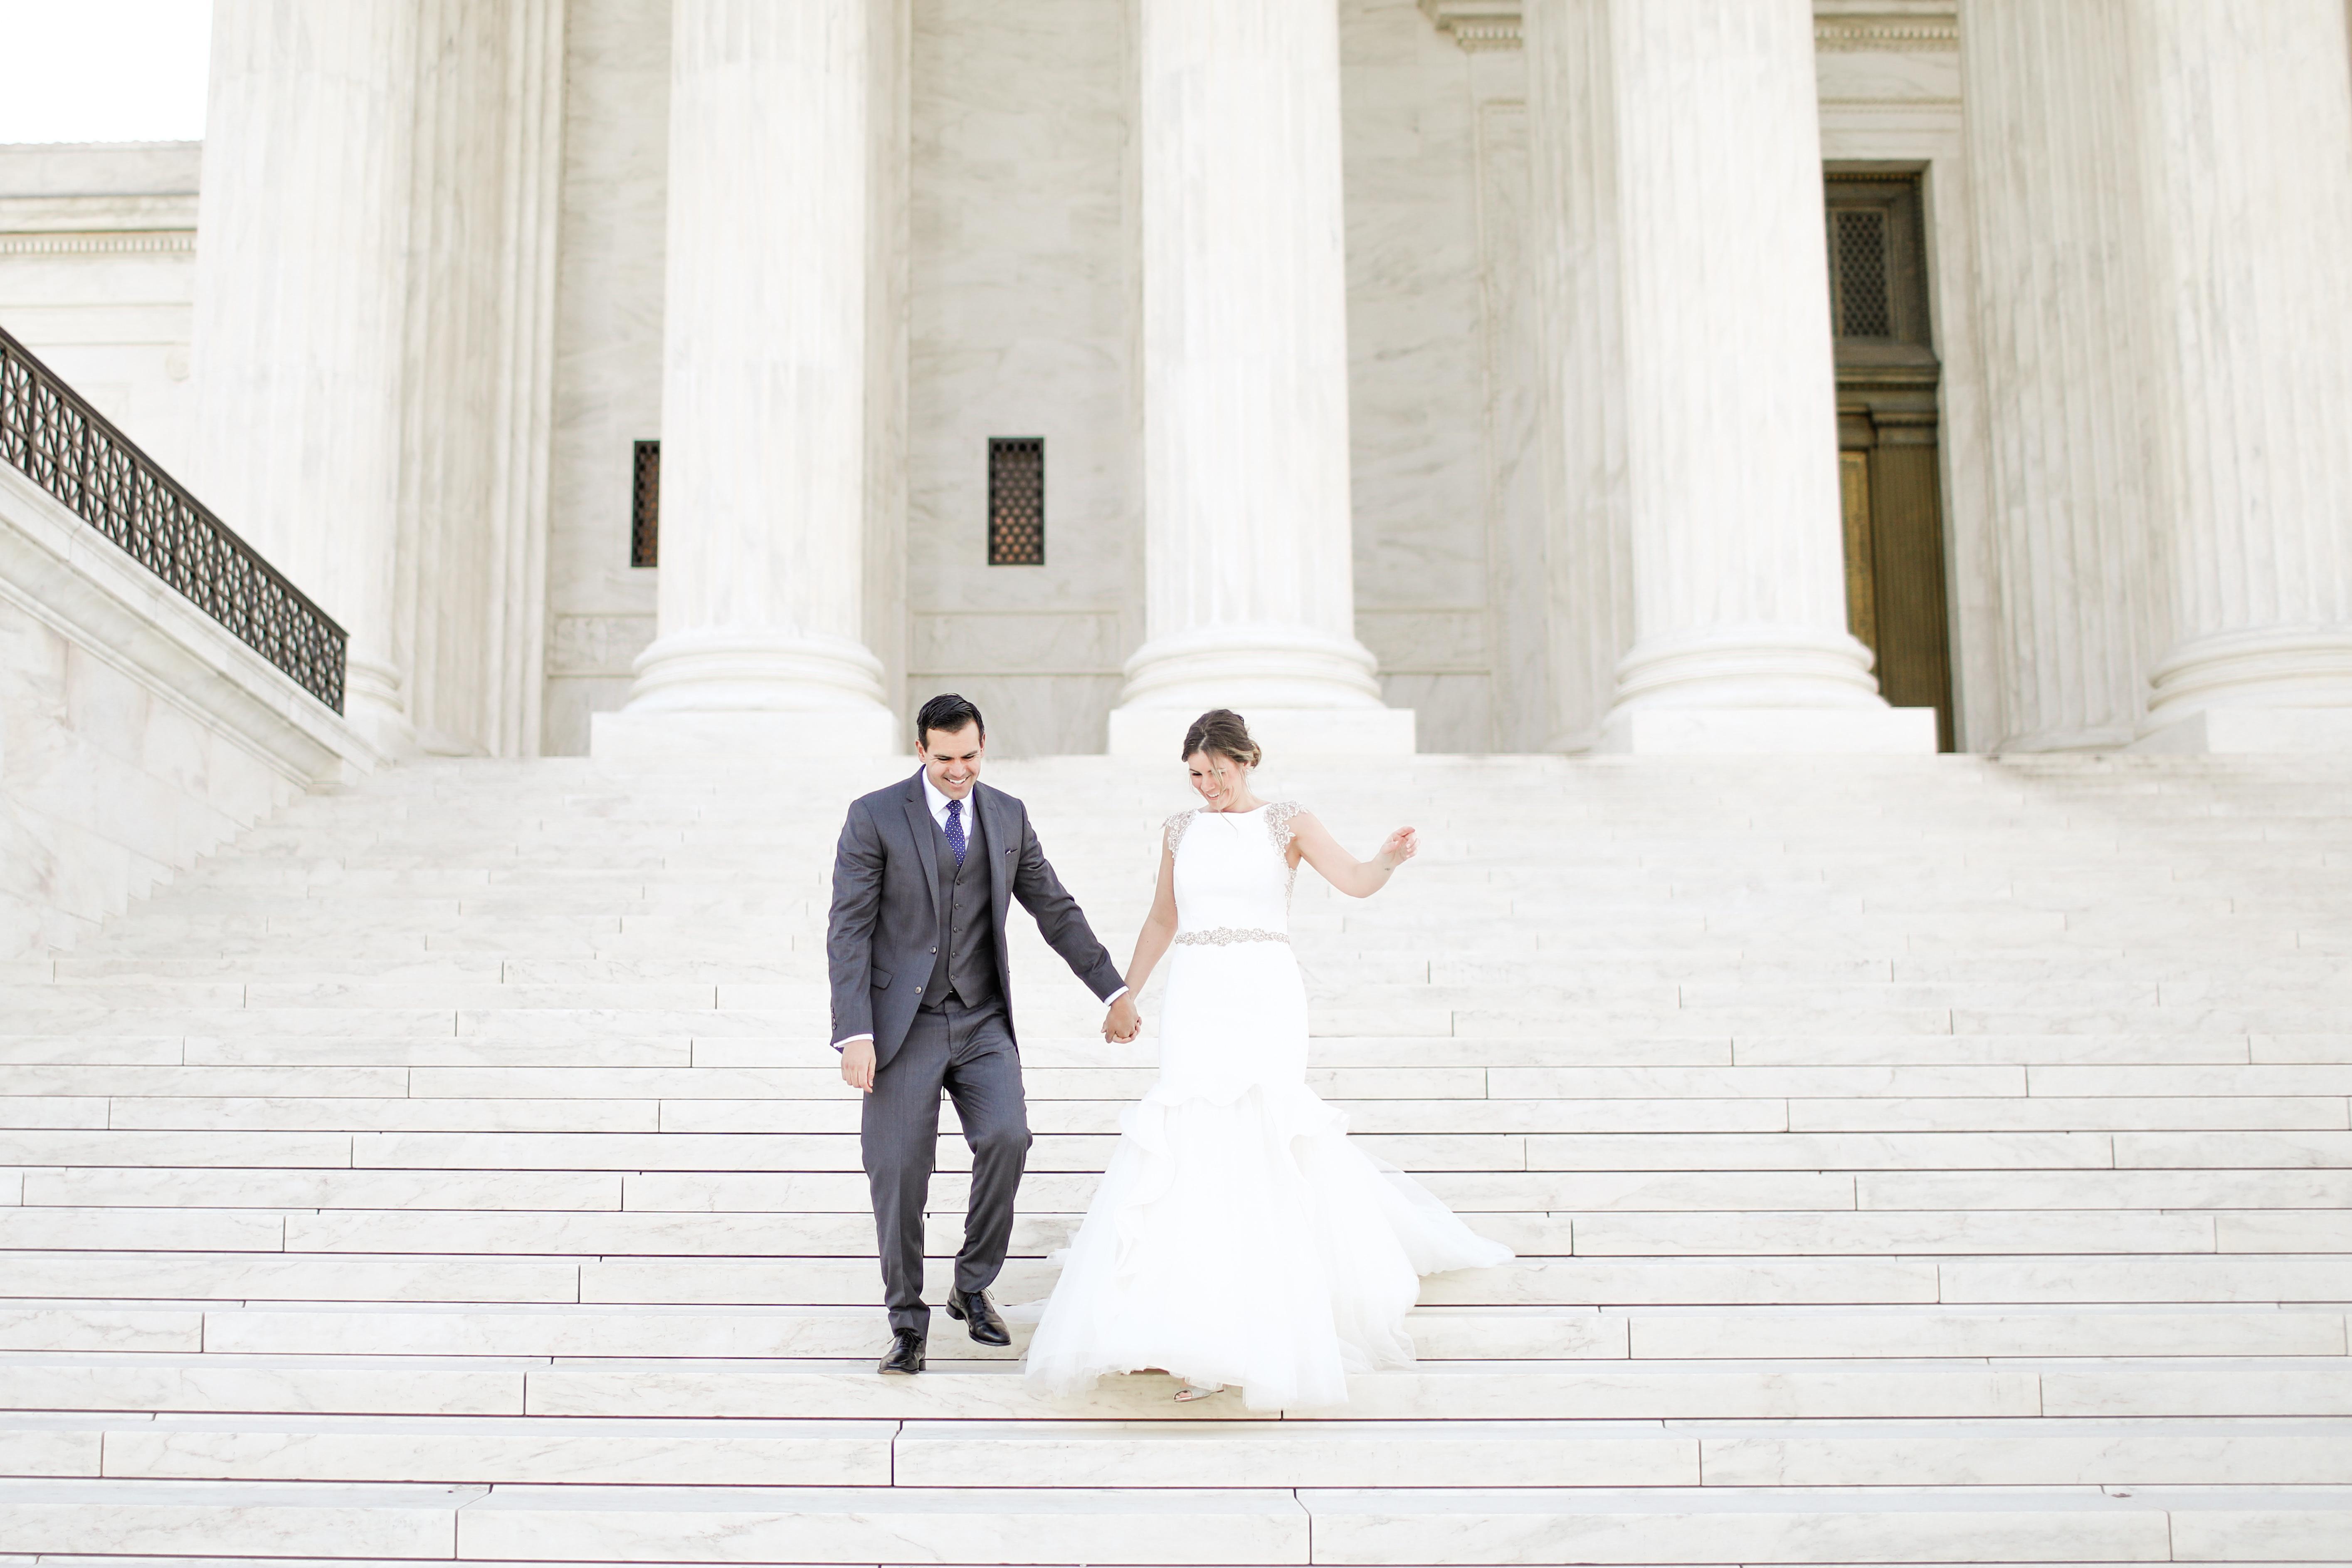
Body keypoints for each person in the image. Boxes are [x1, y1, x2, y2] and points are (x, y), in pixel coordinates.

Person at [1022, 708, 1512, 1410]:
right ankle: (1179, 1318)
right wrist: (1124, 993)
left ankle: (1254, 1321)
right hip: (1197, 994)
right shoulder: (1179, 830)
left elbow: (1355, 880)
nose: (1207, 786)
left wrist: (1387, 859)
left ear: (1246, 760)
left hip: (1264, 994)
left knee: (1261, 1129)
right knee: (1191, 1133)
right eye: (1196, 775)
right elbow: (1163, 917)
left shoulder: (1288, 822)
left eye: (1218, 772)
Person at [827, 694, 1140, 1376]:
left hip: (980, 1018)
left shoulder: (1006, 815)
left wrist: (1112, 990)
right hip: (900, 1026)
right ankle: (906, 1324)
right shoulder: (874, 816)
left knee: (1008, 1137)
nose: (958, 770)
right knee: (899, 1172)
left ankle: (971, 1285)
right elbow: (848, 929)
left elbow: (1054, 909)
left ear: (982, 746)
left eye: (969, 756)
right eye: (944, 758)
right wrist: (854, 1032)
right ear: (920, 751)